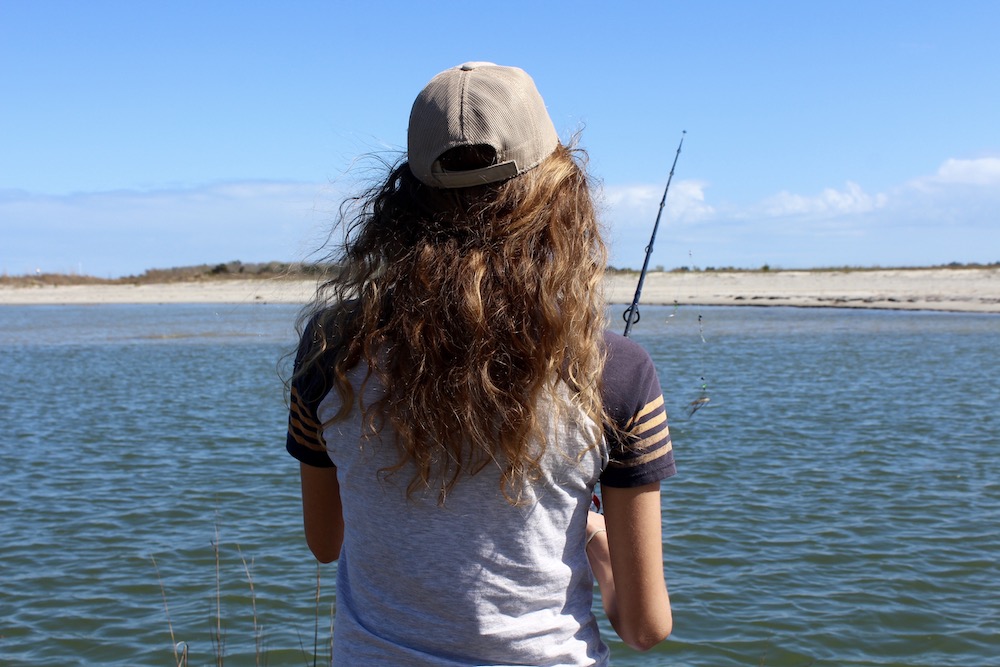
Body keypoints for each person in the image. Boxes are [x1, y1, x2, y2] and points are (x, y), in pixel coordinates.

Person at [286, 62, 675, 666]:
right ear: (557, 194)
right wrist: (594, 537)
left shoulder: (328, 349)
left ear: (402, 200)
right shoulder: (616, 371)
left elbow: (325, 541)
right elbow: (645, 627)